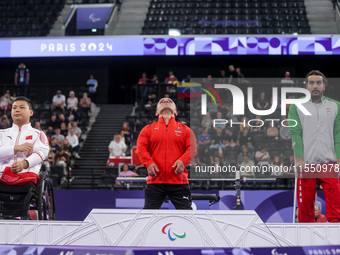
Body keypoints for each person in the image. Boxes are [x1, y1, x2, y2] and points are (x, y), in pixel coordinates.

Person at [289, 70, 340, 223]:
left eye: (318, 83)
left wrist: (338, 159)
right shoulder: (296, 106)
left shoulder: (336, 106)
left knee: (336, 206)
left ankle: (336, 240)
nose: (315, 86)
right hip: (307, 163)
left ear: (324, 86)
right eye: (311, 83)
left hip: (329, 163)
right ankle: (305, 242)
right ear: (306, 86)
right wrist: (299, 159)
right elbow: (295, 133)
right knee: (305, 209)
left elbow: (338, 134)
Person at [137, 98, 197, 209]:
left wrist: (182, 161)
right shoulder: (147, 130)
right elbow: (141, 148)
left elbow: (192, 148)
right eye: (161, 102)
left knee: (187, 218)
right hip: (155, 181)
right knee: (148, 218)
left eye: (169, 101)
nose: (165, 102)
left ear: (176, 112)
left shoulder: (186, 130)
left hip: (179, 181)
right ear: (156, 112)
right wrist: (148, 163)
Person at [0, 96, 49, 185]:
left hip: (26, 178)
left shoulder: (38, 134)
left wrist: (24, 164)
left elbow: (41, 154)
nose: (17, 110)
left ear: (31, 112)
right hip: (1, 176)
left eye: (21, 107)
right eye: (14, 108)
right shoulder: (1, 133)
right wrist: (16, 148)